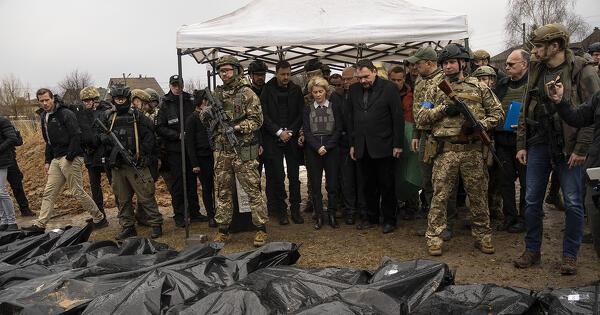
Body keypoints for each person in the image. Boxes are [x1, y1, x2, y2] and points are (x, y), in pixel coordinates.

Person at [513, 23, 600, 275]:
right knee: (531, 200)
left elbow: (592, 114)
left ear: (556, 46)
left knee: (573, 203)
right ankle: (532, 250)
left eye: (539, 46)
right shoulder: (536, 70)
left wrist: (582, 148)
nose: (536, 51)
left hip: (570, 147)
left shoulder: (582, 71)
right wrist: (522, 143)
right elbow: (525, 105)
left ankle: (569, 256)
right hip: (539, 142)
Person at [415, 43, 503, 256]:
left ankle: (483, 235)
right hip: (446, 151)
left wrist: (481, 124)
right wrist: (444, 109)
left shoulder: (479, 87)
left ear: (463, 63)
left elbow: (498, 114)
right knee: (439, 197)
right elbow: (421, 118)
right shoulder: (434, 88)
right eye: (444, 63)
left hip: (472, 151)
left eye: (452, 62)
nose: (447, 67)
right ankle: (434, 237)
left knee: (478, 196)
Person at [200, 55, 268, 246]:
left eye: (228, 70)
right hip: (222, 151)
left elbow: (257, 121)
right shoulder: (217, 94)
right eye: (221, 71)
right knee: (222, 192)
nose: (224, 73)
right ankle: (223, 230)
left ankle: (261, 229)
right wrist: (206, 115)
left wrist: (237, 128)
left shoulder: (247, 93)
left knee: (252, 190)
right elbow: (206, 122)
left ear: (237, 70)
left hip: (243, 150)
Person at [24, 89, 107, 232]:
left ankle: (99, 218)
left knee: (77, 191)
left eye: (47, 100)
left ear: (52, 99)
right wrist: (47, 161)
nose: (44, 103)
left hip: (71, 157)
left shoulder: (65, 114)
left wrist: (69, 157)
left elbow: (76, 135)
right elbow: (48, 141)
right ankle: (40, 224)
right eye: (41, 101)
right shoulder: (44, 116)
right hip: (56, 159)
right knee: (49, 191)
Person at [99, 85, 163, 239]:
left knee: (146, 196)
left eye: (122, 99)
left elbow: (150, 139)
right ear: (113, 100)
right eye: (117, 99)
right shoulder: (108, 116)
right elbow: (98, 136)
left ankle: (155, 224)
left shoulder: (138, 117)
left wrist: (144, 157)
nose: (120, 102)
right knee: (122, 199)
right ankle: (127, 226)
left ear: (128, 99)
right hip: (118, 166)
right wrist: (105, 141)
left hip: (136, 165)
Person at [348, 58, 403, 234]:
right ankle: (371, 217)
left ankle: (389, 220)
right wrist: (353, 144)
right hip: (362, 146)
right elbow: (351, 118)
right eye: (359, 77)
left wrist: (398, 144)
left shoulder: (389, 88)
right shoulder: (354, 89)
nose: (363, 81)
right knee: (367, 185)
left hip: (385, 145)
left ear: (374, 72)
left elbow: (397, 117)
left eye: (366, 76)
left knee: (387, 185)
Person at [408, 47, 457, 239]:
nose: (414, 67)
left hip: (442, 137)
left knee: (445, 183)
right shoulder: (420, 81)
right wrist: (415, 134)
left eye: (417, 63)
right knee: (427, 181)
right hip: (425, 137)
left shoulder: (445, 80)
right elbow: (418, 110)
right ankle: (433, 222)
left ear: (429, 63)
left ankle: (447, 223)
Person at [156, 75, 207, 227]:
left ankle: (195, 212)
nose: (177, 88)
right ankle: (180, 215)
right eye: (174, 85)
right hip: (175, 150)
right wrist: (177, 135)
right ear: (170, 86)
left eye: (179, 85)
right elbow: (160, 127)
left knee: (192, 182)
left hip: (191, 150)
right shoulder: (165, 103)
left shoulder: (189, 100)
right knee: (178, 184)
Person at [260, 60, 304, 225]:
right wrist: (278, 132)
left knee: (294, 176)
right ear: (276, 73)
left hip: (291, 138)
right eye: (282, 74)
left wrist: (290, 132)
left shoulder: (296, 89)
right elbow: (263, 115)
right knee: (278, 176)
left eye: (288, 74)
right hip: (273, 138)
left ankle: (295, 209)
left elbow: (301, 113)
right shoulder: (267, 89)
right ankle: (281, 211)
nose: (286, 77)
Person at [491, 49, 530, 233]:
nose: (506, 67)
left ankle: (524, 219)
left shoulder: (533, 85)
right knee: (505, 181)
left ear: (524, 64)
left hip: (525, 142)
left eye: (511, 64)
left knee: (525, 182)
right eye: (506, 64)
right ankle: (510, 216)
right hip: (502, 140)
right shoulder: (502, 85)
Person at [303, 76, 343, 229]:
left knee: (332, 184)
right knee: (315, 185)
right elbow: (306, 131)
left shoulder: (334, 107)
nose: (318, 95)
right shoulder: (307, 109)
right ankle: (319, 215)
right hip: (313, 151)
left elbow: (339, 129)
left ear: (326, 91)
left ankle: (332, 214)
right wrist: (316, 147)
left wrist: (327, 146)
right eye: (315, 92)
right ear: (311, 93)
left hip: (331, 150)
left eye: (320, 91)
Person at [388, 66, 420, 220]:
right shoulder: (384, 93)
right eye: (393, 80)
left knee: (410, 169)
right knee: (394, 171)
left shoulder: (412, 94)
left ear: (404, 79)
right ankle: (394, 203)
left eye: (399, 80)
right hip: (389, 136)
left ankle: (412, 204)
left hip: (408, 134)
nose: (396, 83)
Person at [79, 86, 114, 217]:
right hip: (90, 155)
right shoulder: (82, 114)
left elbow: (109, 132)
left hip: (106, 154)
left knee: (115, 185)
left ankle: (124, 213)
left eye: (89, 100)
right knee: (95, 187)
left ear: (95, 100)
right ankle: (99, 214)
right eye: (84, 101)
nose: (86, 103)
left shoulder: (107, 111)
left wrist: (99, 139)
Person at [186, 89, 216, 228]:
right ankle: (211, 215)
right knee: (207, 187)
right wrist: (195, 164)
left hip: (214, 155)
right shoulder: (192, 118)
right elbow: (190, 143)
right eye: (206, 100)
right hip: (202, 158)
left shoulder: (212, 115)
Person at [6, 126, 33, 217]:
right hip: (7, 159)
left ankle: (25, 209)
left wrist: (16, 133)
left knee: (17, 185)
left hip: (10, 160)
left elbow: (18, 142)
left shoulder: (6, 124)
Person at [0, 115, 20, 231]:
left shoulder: (3, 121)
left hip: (3, 160)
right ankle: (3, 220)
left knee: (1, 191)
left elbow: (12, 139)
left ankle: (12, 221)